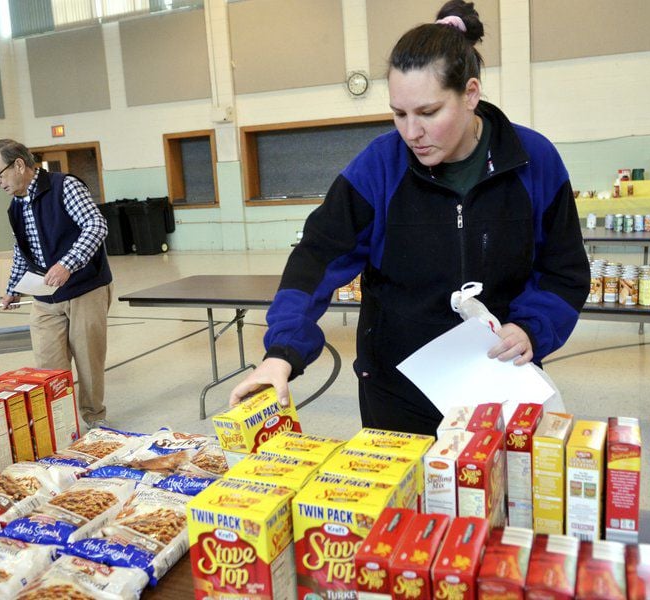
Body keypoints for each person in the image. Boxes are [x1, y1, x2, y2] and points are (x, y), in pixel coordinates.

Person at [229, 0, 590, 436]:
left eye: (428, 113)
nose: (411, 132)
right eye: (399, 114)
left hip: (498, 387)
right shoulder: (378, 168)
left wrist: (532, 328)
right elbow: (314, 259)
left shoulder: (534, 162)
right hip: (395, 393)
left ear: (471, 94)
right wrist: (281, 352)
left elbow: (563, 271)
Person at [0, 139, 113, 429]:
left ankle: (95, 420)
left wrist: (67, 264)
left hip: (85, 288)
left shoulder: (64, 186)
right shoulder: (15, 206)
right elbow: (22, 249)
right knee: (47, 365)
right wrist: (14, 287)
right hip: (45, 296)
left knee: (89, 361)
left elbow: (96, 225)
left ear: (19, 165)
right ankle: (60, 423)